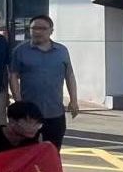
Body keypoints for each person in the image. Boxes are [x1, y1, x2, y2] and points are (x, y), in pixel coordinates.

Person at [11, 15, 79, 152]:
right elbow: (13, 76)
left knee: (53, 152)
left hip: (55, 112)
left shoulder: (62, 51)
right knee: (26, 152)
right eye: (34, 28)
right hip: (29, 115)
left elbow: (69, 75)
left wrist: (74, 100)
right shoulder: (20, 51)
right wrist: (19, 102)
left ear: (51, 31)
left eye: (42, 28)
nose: (37, 31)